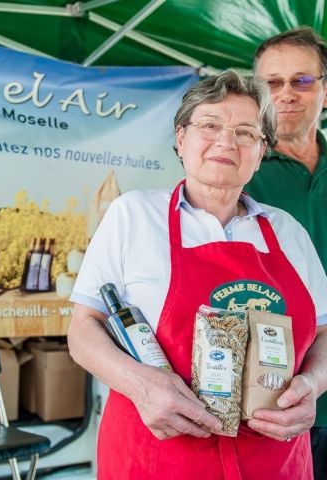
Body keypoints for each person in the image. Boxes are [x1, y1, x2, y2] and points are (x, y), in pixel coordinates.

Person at [68, 70, 327, 479]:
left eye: (246, 132)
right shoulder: (134, 215)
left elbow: (325, 334)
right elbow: (84, 330)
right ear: (181, 138)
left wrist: (311, 385)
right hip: (159, 457)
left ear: (261, 153)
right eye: (210, 125)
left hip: (273, 461)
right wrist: (142, 387)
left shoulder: (287, 232)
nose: (227, 141)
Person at [245, 27, 327, 479]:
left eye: (302, 80)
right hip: (278, 396)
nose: (286, 94)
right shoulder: (240, 170)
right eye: (272, 83)